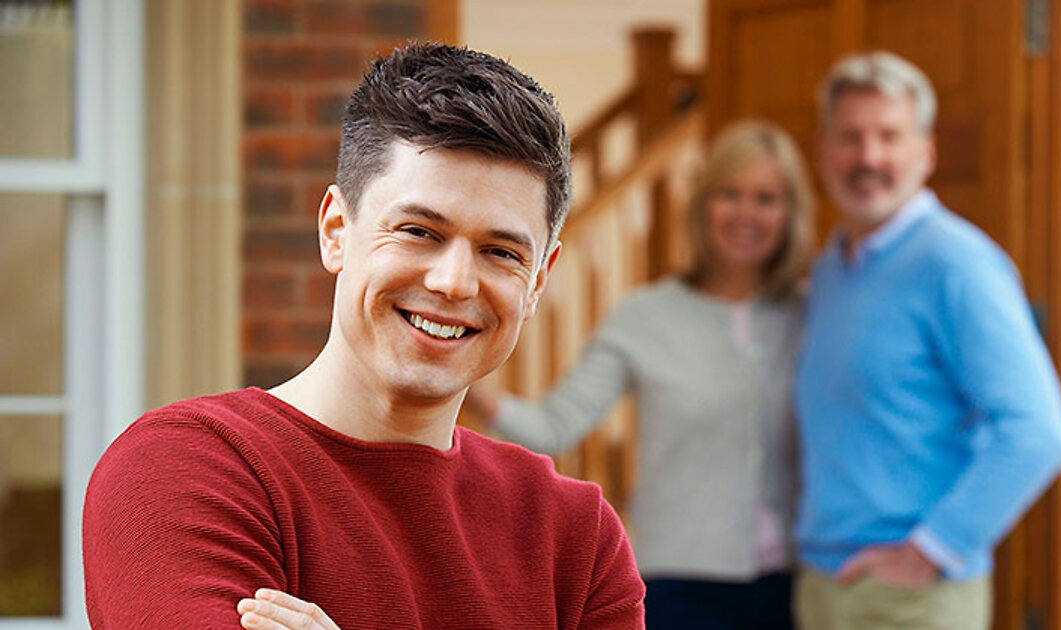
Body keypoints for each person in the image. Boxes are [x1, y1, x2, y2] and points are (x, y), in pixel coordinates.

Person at [82, 43, 645, 630]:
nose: (454, 282)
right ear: (335, 231)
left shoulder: (577, 537)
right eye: (419, 231)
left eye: (499, 251)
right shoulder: (185, 469)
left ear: (537, 282)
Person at [466, 120, 815, 630]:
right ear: (703, 205)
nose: (747, 212)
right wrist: (464, 376)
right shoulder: (643, 317)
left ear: (790, 214)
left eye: (766, 198)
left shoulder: (811, 315)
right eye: (730, 194)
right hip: (677, 582)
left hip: (796, 584)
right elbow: (554, 426)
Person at [791, 51, 1061, 630]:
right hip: (823, 584)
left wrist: (931, 550)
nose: (869, 156)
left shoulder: (957, 263)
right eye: (851, 136)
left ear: (926, 153)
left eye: (889, 136)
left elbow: (1040, 431)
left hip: (912, 600)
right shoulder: (832, 269)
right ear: (823, 151)